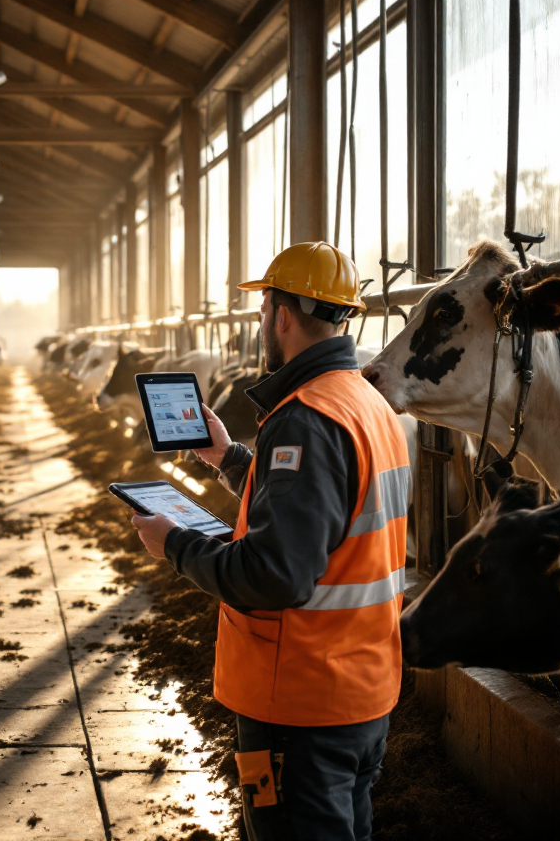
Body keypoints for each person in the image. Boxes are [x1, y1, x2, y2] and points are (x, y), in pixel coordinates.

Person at [131, 242, 409, 841]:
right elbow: (326, 508)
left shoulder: (305, 417)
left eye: (263, 310)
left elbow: (275, 575)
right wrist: (229, 458)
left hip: (300, 707)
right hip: (363, 692)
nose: (261, 323)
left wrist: (175, 545)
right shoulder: (367, 403)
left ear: (282, 314)